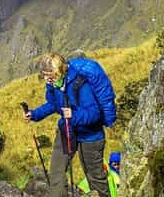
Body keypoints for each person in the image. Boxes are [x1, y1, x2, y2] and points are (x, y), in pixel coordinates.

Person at [23, 52, 116, 197]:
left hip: (90, 135)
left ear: (60, 71)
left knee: (95, 178)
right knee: (56, 172)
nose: (47, 79)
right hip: (67, 130)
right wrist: (35, 114)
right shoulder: (54, 85)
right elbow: (53, 104)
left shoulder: (80, 83)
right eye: (45, 75)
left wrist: (74, 115)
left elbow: (94, 113)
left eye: (50, 75)